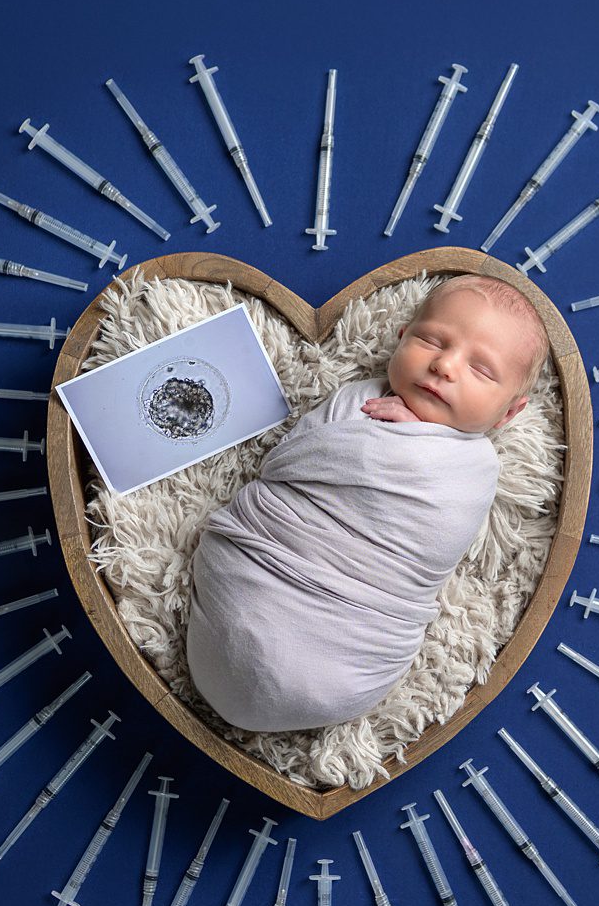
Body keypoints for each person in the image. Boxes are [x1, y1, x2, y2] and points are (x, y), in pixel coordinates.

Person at [185, 274, 550, 732]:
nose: (444, 365)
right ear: (401, 339)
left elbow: (439, 536)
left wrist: (418, 439)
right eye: (432, 341)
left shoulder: (475, 469)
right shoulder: (359, 400)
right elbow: (284, 464)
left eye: (480, 370)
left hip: (355, 642)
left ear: (508, 412)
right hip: (263, 571)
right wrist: (386, 435)